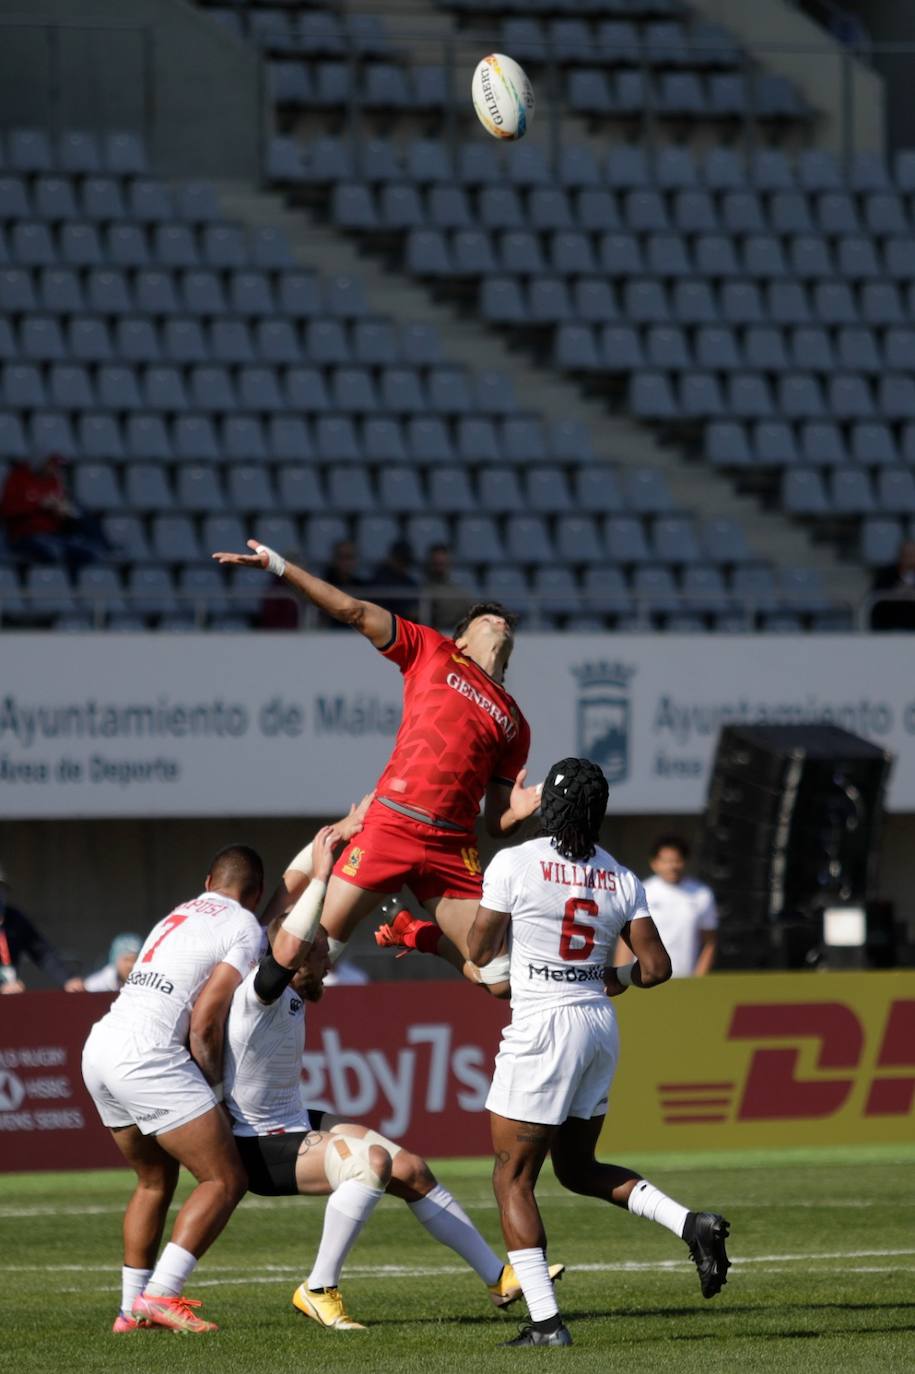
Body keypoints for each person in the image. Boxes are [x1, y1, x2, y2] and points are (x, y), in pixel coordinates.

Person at [223, 829, 563, 1331]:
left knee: (411, 1168)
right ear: (294, 958)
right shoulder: (262, 991)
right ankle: (318, 1288)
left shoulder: (300, 984)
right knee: (372, 1165)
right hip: (256, 1143)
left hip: (291, 1120)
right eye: (319, 950)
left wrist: (349, 828)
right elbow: (291, 933)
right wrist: (324, 876)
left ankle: (499, 1277)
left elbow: (288, 892)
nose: (328, 956)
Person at [467, 757, 731, 1348]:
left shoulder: (515, 861)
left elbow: (479, 944)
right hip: (596, 1024)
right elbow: (658, 968)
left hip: (543, 1029)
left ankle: (545, 1323)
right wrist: (607, 977)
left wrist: (485, 957)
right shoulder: (622, 876)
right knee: (578, 1169)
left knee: (513, 1179)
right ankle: (692, 1224)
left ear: (548, 807)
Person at [213, 536, 541, 996]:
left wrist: (518, 813)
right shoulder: (432, 649)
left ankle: (413, 933)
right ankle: (229, 988)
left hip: (451, 846)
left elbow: (497, 821)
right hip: (393, 824)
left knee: (499, 980)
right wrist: (280, 566)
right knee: (301, 958)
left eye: (505, 621)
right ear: (461, 637)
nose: (499, 620)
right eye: (487, 616)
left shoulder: (515, 723)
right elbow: (351, 609)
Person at [81, 845, 268, 1334]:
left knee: (153, 1181)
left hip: (100, 1046)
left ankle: (128, 1312)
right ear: (257, 894)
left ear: (209, 882)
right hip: (148, 1057)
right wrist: (217, 1093)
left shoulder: (180, 912)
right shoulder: (245, 926)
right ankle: (161, 1296)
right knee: (225, 1179)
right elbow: (206, 1019)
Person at [0, 453, 108, 569]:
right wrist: (40, 504)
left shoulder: (54, 480)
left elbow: (60, 513)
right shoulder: (19, 478)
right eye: (50, 464)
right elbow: (8, 509)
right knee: (54, 552)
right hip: (26, 536)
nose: (54, 468)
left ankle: (103, 547)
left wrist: (64, 512)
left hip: (52, 536)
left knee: (85, 550)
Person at [638, 835, 718, 979]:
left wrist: (698, 979)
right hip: (645, 979)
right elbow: (626, 939)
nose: (672, 866)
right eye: (666, 861)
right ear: (654, 863)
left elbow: (709, 942)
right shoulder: (642, 891)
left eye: (677, 861)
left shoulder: (701, 894)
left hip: (685, 980)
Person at [0, 863, 84, 993]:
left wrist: (68, 979)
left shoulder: (15, 919)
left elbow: (43, 953)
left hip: (11, 994)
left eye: (2, 889)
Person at [318, 539, 367, 628]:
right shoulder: (322, 585)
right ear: (333, 559)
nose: (345, 562)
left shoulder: (363, 586)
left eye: (349, 557)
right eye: (341, 557)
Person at [422, 542, 470, 630]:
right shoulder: (421, 588)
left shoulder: (458, 590)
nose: (439, 567)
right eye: (436, 563)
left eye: (442, 563)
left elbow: (470, 608)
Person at [870, 539, 915, 631]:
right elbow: (875, 595)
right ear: (900, 555)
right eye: (906, 555)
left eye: (912, 555)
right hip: (891, 626)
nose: (910, 558)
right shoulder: (887, 574)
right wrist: (896, 591)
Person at [372, 537, 419, 621]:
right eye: (399, 560)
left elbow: (414, 610)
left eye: (405, 561)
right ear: (392, 558)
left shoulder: (410, 582)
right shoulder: (380, 579)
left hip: (404, 626)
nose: (402, 564)